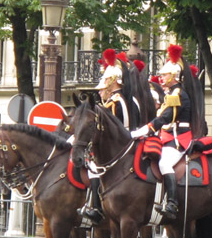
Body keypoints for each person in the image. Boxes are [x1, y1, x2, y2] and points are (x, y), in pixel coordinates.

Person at [131, 44, 193, 220]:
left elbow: (166, 117)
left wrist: (146, 129)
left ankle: (172, 203)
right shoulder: (171, 93)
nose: (161, 77)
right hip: (167, 136)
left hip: (178, 138)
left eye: (165, 74)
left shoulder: (177, 94)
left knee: (165, 163)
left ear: (173, 76)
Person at [80, 49, 138, 225]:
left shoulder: (115, 102)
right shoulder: (118, 100)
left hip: (118, 144)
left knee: (94, 168)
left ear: (113, 82)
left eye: (103, 87)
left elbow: (114, 128)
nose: (100, 92)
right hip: (121, 141)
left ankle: (96, 207)